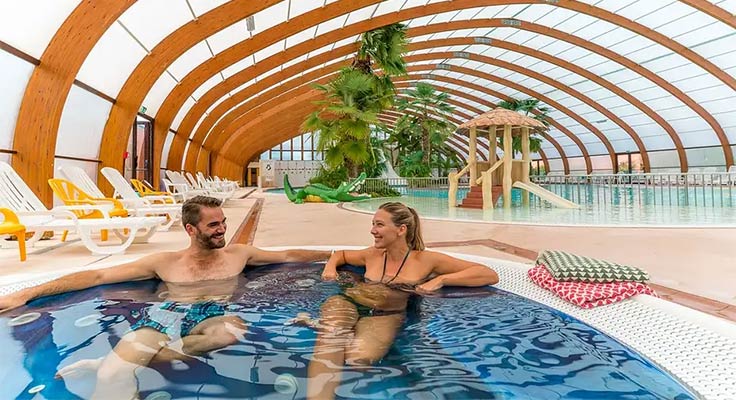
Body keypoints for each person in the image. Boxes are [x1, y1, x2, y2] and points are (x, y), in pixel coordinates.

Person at [0, 195, 331, 399]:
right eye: (213, 225)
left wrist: (339, 255)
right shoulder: (165, 263)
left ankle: (110, 358)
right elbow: (98, 276)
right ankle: (111, 366)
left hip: (214, 315)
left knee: (230, 332)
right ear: (191, 230)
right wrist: (28, 293)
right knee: (111, 377)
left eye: (223, 223)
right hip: (163, 317)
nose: (222, 230)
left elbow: (288, 255)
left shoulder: (238, 254)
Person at [307, 201, 499, 399]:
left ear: (401, 229)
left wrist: (442, 279)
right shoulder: (372, 255)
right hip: (348, 302)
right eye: (373, 224)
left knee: (359, 360)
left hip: (386, 315)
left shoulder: (425, 260)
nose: (372, 231)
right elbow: (341, 254)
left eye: (379, 224)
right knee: (331, 334)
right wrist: (330, 268)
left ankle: (340, 331)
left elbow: (488, 274)